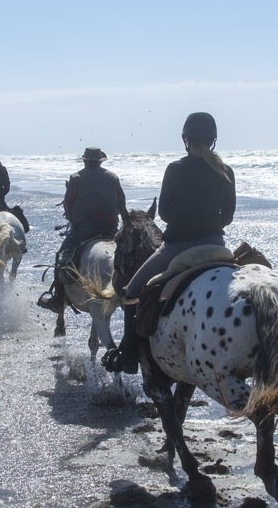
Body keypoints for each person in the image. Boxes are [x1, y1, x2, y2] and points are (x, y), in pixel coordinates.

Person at [102, 112, 234, 373]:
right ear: (213, 140)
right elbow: (228, 216)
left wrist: (186, 223)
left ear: (186, 140)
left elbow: (163, 213)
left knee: (132, 290)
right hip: (217, 245)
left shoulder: (175, 169)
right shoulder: (225, 170)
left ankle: (128, 355)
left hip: (178, 246)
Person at [38, 147, 126, 311]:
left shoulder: (76, 178)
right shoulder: (113, 177)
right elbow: (122, 203)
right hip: (110, 229)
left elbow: (69, 204)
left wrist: (74, 220)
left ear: (85, 161)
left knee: (61, 257)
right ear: (100, 161)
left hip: (84, 229)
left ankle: (58, 299)